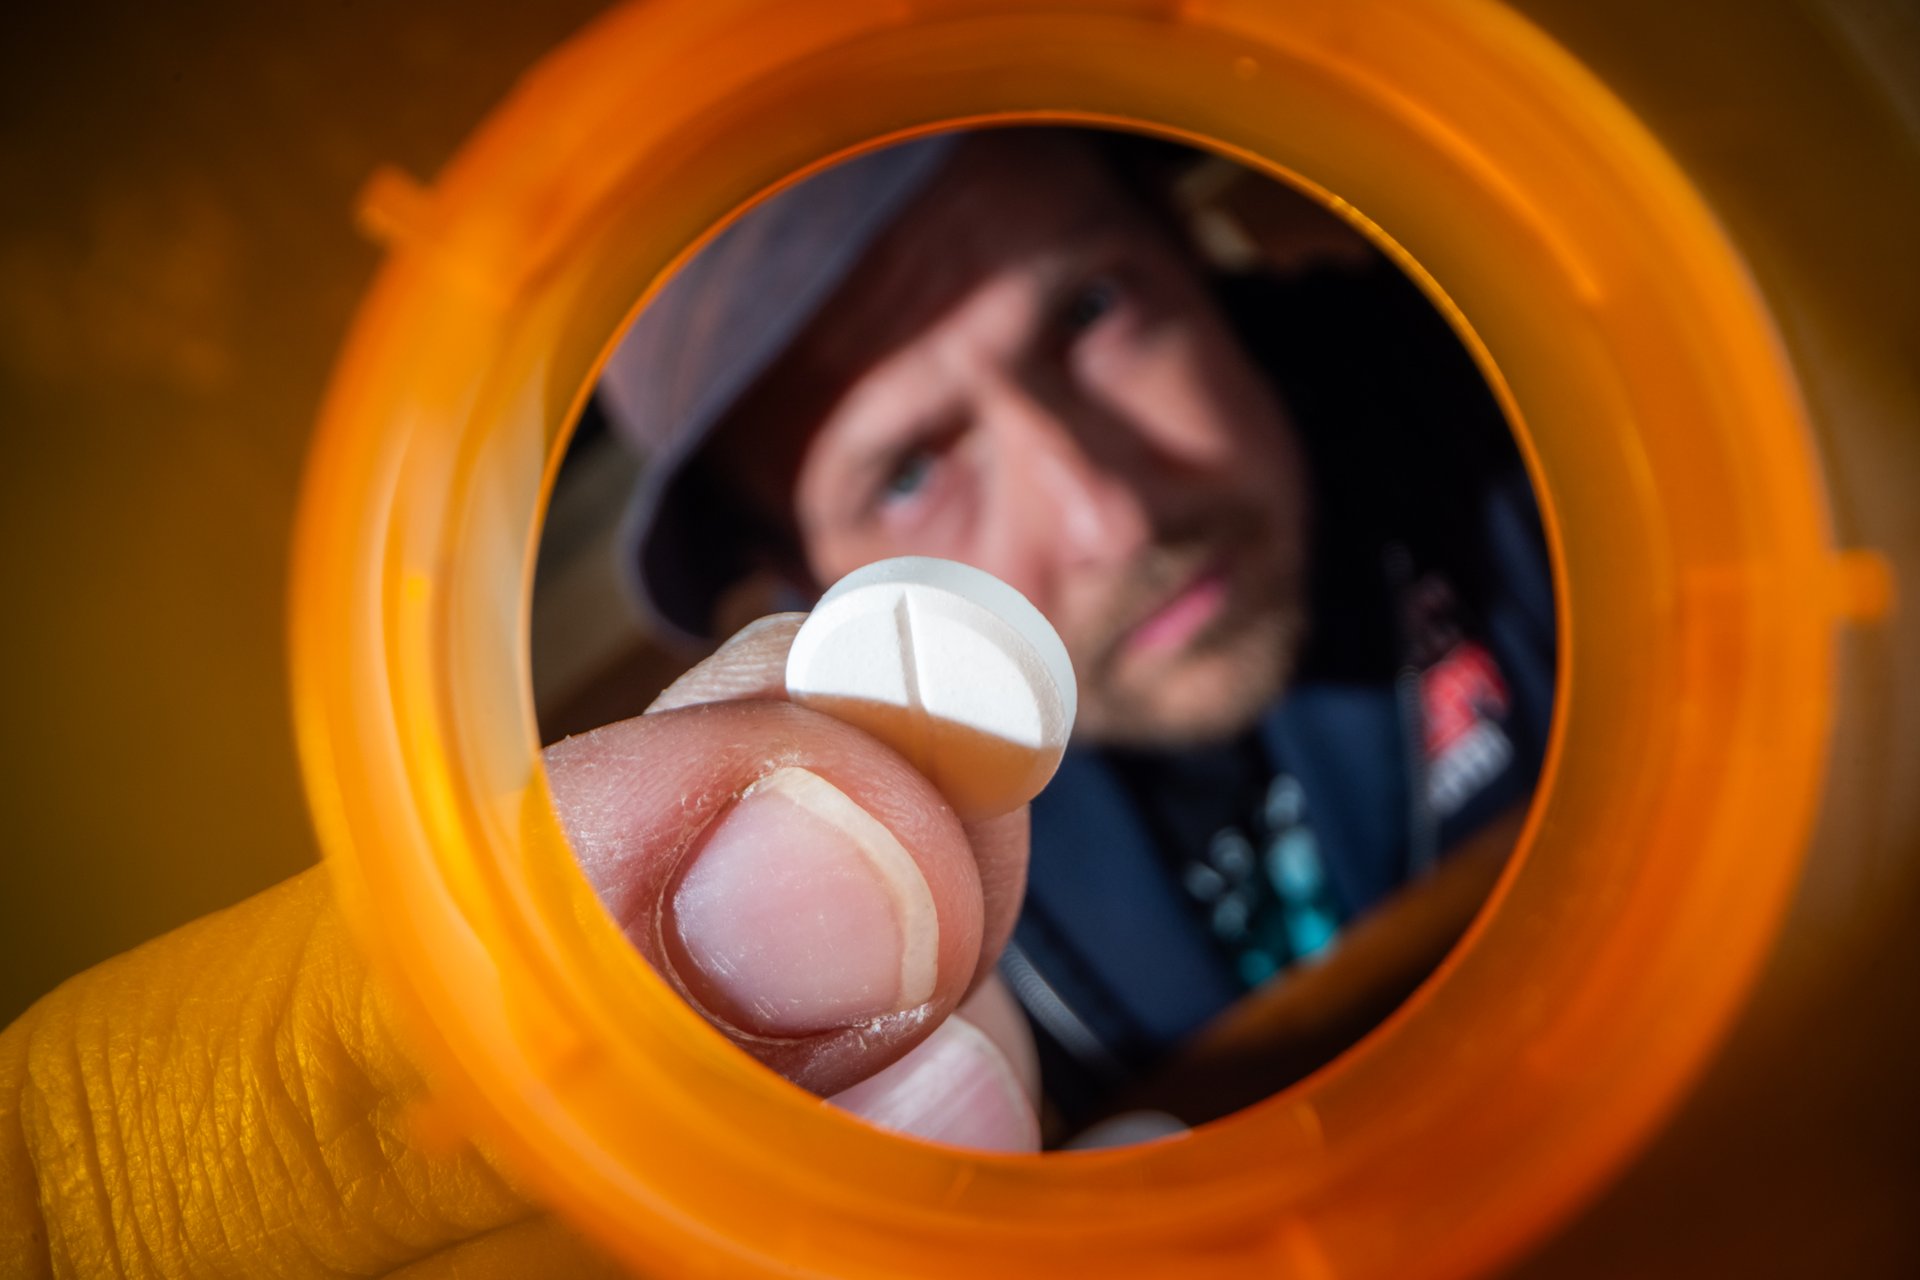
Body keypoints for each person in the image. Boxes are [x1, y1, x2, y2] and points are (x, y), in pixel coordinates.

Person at [592, 127, 1556, 1130]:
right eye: (910, 475)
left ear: (1184, 239)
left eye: (1091, 311)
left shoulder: (1516, 395)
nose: (1109, 520)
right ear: (813, 577)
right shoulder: (853, 872)